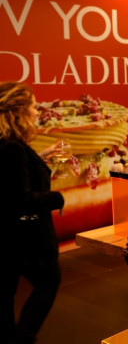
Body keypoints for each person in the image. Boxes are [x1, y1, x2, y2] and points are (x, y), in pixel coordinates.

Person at [0, 82, 66, 344]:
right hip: (24, 237)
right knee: (48, 281)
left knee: (6, 294)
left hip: (8, 236)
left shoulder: (8, 145)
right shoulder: (13, 148)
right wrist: (56, 198)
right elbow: (20, 199)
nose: (38, 112)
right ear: (18, 111)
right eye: (34, 107)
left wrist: (39, 157)